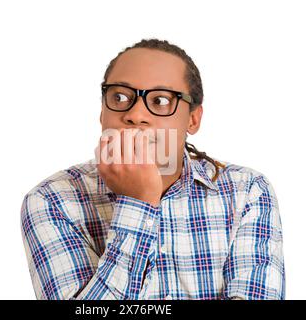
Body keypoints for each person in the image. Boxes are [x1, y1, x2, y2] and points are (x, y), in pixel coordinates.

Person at [20, 38, 285, 300]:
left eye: (160, 100)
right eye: (120, 96)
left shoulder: (246, 192)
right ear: (102, 112)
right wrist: (138, 202)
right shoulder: (50, 200)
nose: (136, 114)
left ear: (193, 119)